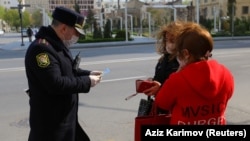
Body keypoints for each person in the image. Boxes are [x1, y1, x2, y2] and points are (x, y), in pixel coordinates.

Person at [25, 7, 102, 141]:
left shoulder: (57, 45)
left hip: (65, 122)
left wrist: (88, 73)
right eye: (76, 32)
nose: (77, 37)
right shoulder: (41, 49)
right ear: (64, 29)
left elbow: (69, 71)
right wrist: (87, 81)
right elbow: (56, 83)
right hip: (52, 128)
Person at [154, 22, 234, 125]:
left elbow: (161, 103)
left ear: (186, 54)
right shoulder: (226, 74)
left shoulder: (178, 80)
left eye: (179, 52)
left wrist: (178, 72)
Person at [142, 21, 183, 96]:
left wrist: (160, 88)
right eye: (166, 40)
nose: (169, 44)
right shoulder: (164, 59)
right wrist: (152, 82)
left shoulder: (184, 61)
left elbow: (182, 88)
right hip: (160, 102)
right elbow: (159, 79)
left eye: (172, 40)